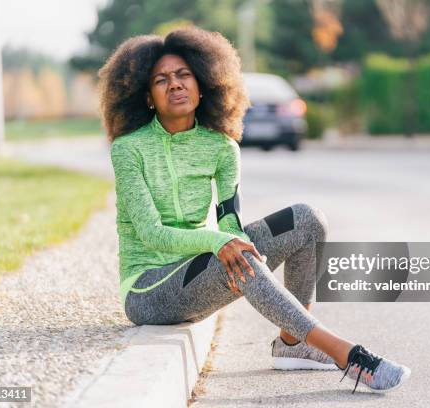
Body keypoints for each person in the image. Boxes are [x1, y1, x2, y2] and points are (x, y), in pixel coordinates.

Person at [99, 26, 410, 394]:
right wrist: (220, 243)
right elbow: (152, 233)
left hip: (197, 273)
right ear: (148, 97)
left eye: (184, 75)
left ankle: (292, 344)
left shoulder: (221, 146)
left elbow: (230, 221)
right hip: (148, 290)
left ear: (203, 84)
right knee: (235, 252)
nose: (175, 85)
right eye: (161, 80)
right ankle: (346, 354)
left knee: (307, 220)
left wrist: (231, 242)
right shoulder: (129, 149)